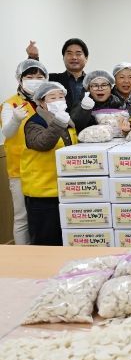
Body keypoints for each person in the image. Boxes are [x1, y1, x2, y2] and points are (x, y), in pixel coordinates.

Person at [21, 82, 77, 246]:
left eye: (61, 97)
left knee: (64, 239)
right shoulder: (35, 123)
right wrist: (58, 122)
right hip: (43, 194)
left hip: (65, 191)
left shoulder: (66, 120)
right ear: (41, 102)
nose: (58, 100)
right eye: (52, 98)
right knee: (46, 241)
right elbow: (42, 143)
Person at [1, 60, 48, 245]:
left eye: (39, 77)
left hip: (45, 168)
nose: (35, 80)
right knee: (22, 217)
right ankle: (22, 253)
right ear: (20, 79)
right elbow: (7, 132)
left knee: (44, 214)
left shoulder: (48, 101)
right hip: (20, 169)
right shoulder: (10, 104)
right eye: (30, 77)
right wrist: (14, 120)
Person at [47, 38, 89, 109]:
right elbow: (33, 83)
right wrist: (33, 58)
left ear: (86, 58)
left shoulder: (93, 82)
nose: (74, 57)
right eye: (69, 53)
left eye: (78, 54)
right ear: (63, 57)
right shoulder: (51, 79)